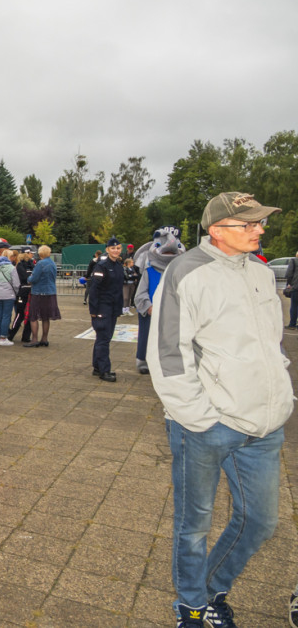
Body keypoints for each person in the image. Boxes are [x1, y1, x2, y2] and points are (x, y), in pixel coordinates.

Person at [148, 192, 292, 628]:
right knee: (194, 528)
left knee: (261, 521)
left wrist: (278, 398)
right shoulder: (186, 272)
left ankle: (211, 588)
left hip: (264, 426)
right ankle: (191, 609)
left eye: (259, 223)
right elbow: (168, 354)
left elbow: (270, 345)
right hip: (206, 426)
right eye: (248, 224)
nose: (259, 229)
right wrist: (199, 418)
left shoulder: (262, 272)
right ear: (217, 230)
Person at [134, 226, 187, 374]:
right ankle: (144, 361)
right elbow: (140, 293)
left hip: (173, 314)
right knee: (148, 338)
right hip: (152, 314)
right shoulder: (149, 272)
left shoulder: (180, 272)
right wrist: (149, 307)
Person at [87, 238, 124, 381]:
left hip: (113, 308)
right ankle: (104, 370)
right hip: (102, 307)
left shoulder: (119, 266)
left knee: (103, 338)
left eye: (118, 248)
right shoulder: (101, 266)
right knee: (103, 339)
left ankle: (97, 367)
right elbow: (94, 289)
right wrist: (93, 310)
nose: (116, 251)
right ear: (107, 249)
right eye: (113, 248)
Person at [24, 245, 60, 348]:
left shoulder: (40, 264)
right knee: (45, 317)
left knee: (33, 316)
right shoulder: (53, 263)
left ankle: (34, 339)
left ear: (40, 254)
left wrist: (29, 279)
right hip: (51, 292)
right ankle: (44, 339)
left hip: (39, 292)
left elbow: (34, 278)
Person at [0, 249, 20, 346]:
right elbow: (16, 284)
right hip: (8, 295)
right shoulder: (12, 268)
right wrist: (16, 292)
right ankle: (3, 337)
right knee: (6, 316)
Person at [9, 248, 34, 342]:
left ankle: (26, 337)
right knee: (20, 314)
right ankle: (11, 335)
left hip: (32, 292)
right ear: (25, 254)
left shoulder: (32, 264)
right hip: (23, 292)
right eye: (30, 253)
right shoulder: (19, 265)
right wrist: (31, 278)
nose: (32, 254)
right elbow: (25, 278)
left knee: (31, 314)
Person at [284, 250, 298, 329]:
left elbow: (289, 274)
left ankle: (292, 324)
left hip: (296, 286)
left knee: (294, 305)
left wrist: (290, 283)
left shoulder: (293, 261)